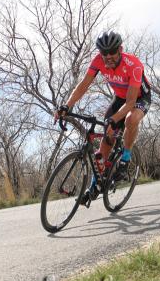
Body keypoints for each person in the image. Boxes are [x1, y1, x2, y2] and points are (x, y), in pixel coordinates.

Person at [54, 31, 151, 204]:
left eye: (112, 52)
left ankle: (126, 158)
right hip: (119, 98)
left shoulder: (134, 65)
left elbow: (130, 102)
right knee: (106, 141)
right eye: (104, 53)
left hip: (138, 98)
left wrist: (115, 118)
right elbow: (83, 85)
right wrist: (67, 106)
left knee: (130, 119)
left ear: (120, 49)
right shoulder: (98, 61)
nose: (108, 57)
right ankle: (95, 185)